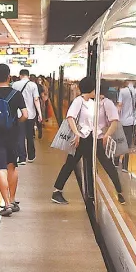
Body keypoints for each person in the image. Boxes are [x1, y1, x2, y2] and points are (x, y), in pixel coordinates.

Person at [51, 76, 98, 206]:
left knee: (90, 164)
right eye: (94, 88)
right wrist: (76, 134)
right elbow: (70, 117)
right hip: (80, 139)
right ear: (90, 89)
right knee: (70, 164)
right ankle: (57, 191)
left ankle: (91, 192)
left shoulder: (92, 103)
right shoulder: (78, 101)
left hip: (89, 137)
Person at [0, 64, 26, 217]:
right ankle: (13, 199)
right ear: (9, 77)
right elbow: (25, 115)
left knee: (0, 168)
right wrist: (15, 122)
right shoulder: (16, 94)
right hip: (12, 135)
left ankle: (7, 204)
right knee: (12, 166)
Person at [12, 69, 40, 165]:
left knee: (20, 136)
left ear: (20, 75)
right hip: (31, 114)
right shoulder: (33, 85)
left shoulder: (15, 85)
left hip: (19, 114)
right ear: (28, 75)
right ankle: (31, 156)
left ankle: (22, 157)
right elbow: (36, 100)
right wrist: (40, 113)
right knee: (29, 136)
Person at [116, 80, 136, 172]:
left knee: (119, 141)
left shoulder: (122, 91)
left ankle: (116, 161)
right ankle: (125, 166)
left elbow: (120, 105)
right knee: (128, 143)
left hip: (122, 120)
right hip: (132, 121)